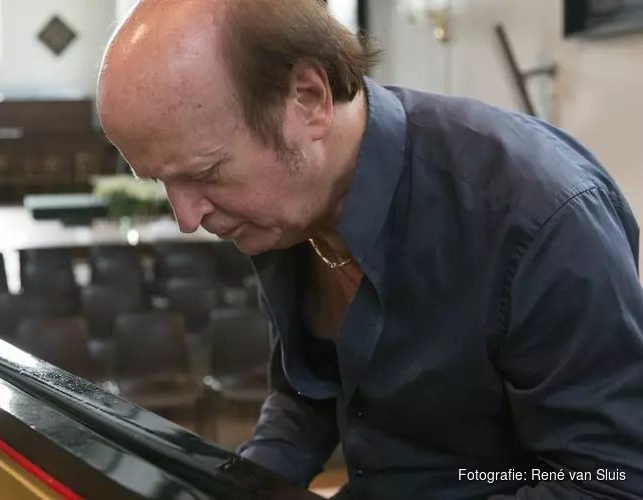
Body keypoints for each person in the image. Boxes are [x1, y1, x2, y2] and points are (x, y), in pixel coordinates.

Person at [96, 0, 643, 498]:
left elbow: (606, 480)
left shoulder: (536, 216)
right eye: (159, 183)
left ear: (308, 99)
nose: (187, 219)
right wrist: (245, 485)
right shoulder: (287, 204)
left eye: (206, 172)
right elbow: (309, 389)